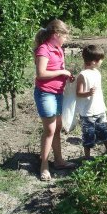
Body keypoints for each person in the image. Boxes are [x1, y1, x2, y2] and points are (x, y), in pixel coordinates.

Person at [34, 19, 76, 181]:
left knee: (57, 128)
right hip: (46, 94)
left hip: (58, 93)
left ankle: (58, 161)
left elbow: (57, 70)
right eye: (65, 36)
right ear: (57, 34)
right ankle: (43, 166)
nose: (66, 39)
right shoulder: (44, 50)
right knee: (50, 130)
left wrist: (66, 76)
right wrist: (62, 73)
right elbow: (41, 74)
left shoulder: (58, 49)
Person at [76, 45, 107, 159]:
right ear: (94, 61)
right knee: (88, 136)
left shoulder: (96, 72)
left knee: (104, 131)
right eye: (100, 60)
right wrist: (88, 93)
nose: (102, 62)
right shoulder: (82, 75)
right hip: (88, 113)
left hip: (100, 109)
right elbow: (78, 93)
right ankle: (87, 157)